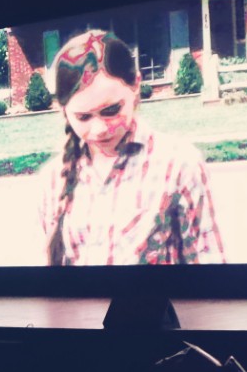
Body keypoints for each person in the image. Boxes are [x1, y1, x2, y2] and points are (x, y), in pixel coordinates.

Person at [34, 30, 225, 265]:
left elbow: (208, 260)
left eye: (111, 110)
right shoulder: (52, 180)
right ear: (63, 110)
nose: (99, 129)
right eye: (83, 117)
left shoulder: (178, 164)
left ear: (135, 86)